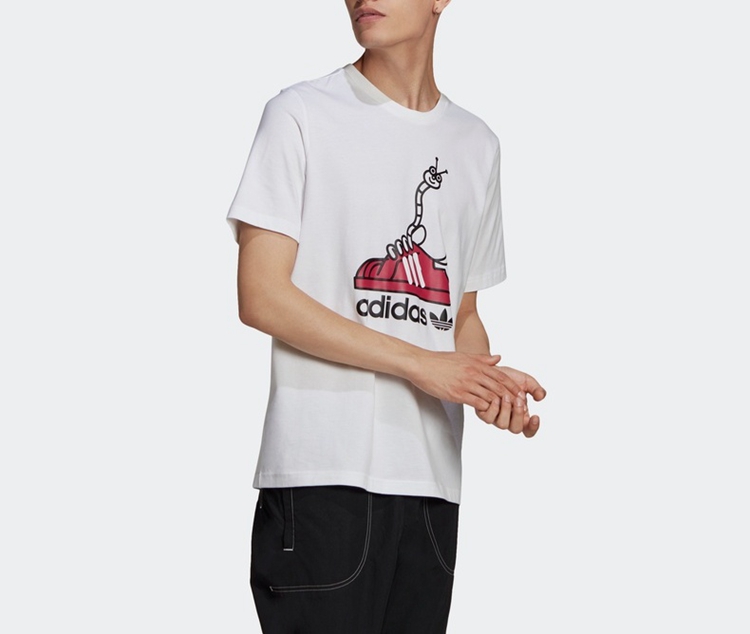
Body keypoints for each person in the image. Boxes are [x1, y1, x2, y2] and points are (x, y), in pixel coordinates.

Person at [227, 1, 546, 631]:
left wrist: (485, 385)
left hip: (432, 486)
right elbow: (261, 295)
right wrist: (420, 365)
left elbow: (461, 312)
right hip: (322, 475)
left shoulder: (476, 144)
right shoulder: (300, 113)